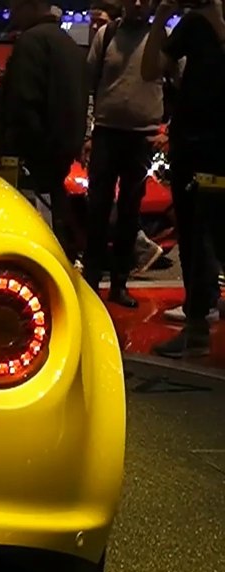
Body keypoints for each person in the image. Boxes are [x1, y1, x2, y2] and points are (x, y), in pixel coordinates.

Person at [141, 0, 225, 357]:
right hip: (189, 145)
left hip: (220, 148)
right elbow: (149, 70)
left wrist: (216, 19)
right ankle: (196, 328)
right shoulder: (193, 23)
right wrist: (160, 19)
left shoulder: (213, 21)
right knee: (192, 237)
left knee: (216, 236)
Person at [81, 0, 168, 306]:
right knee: (97, 209)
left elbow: (181, 85)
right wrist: (88, 133)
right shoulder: (106, 35)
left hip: (143, 137)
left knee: (130, 212)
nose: (139, 4)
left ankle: (119, 283)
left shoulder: (162, 38)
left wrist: (167, 131)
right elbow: (89, 86)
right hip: (106, 133)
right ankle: (91, 282)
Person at [0, 0, 88, 254]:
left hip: (30, 159)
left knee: (27, 232)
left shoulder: (31, 42)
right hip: (60, 153)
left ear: (32, 6)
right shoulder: (69, 44)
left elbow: (23, 103)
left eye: (16, 8)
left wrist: (17, 151)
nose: (12, 15)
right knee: (54, 223)